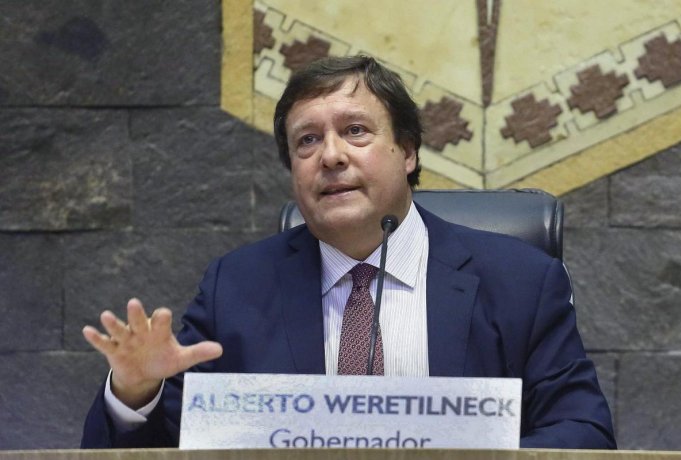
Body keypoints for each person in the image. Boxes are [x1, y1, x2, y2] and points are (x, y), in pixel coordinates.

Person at [81, 55, 616, 449]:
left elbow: (584, 433)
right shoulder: (237, 287)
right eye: (307, 141)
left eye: (355, 131)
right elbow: (165, 443)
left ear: (407, 152)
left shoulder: (520, 280)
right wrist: (136, 392)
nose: (330, 156)